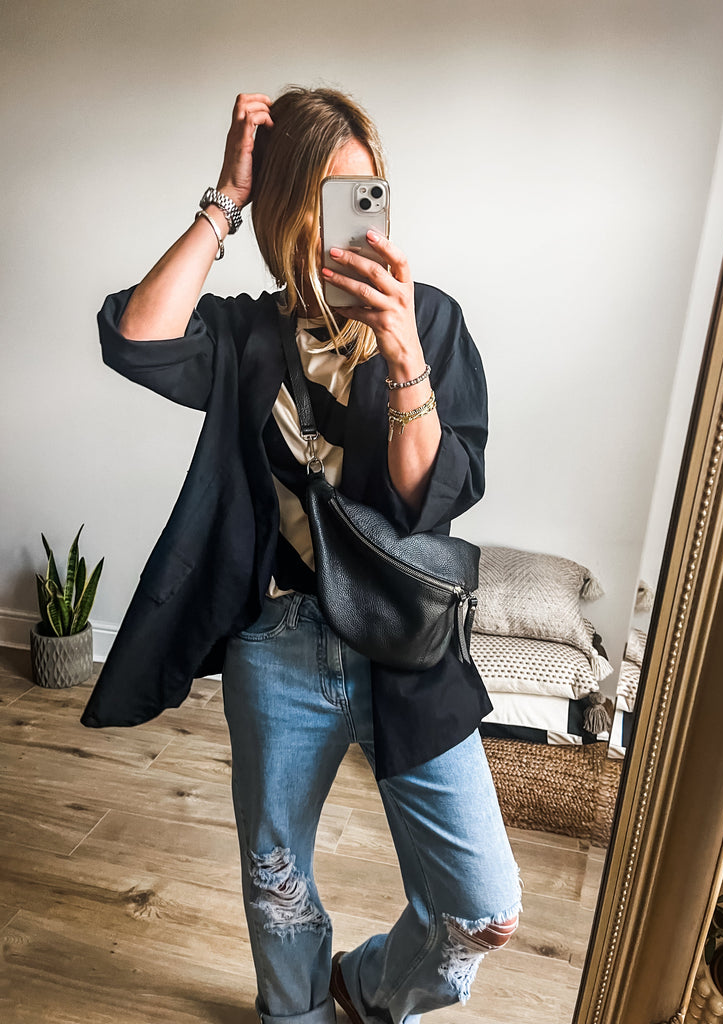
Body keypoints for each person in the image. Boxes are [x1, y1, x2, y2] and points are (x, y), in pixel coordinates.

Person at [81, 87, 522, 1024]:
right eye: (323, 197)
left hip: (403, 641)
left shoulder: (430, 321)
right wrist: (225, 198)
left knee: (484, 909)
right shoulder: (246, 335)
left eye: (364, 193)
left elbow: (434, 496)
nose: (346, 221)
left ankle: (367, 987)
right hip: (278, 642)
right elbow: (136, 337)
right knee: (275, 875)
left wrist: (402, 356)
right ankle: (296, 1014)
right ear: (287, 210)